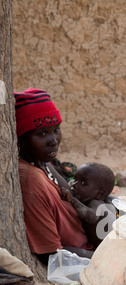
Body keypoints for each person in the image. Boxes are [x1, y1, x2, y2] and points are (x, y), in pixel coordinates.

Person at [15, 88, 94, 264]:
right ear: (21, 139)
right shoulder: (31, 179)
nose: (54, 140)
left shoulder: (42, 162)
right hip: (77, 261)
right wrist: (104, 258)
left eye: (56, 129)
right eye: (41, 134)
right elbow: (51, 254)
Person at [60, 163, 117, 248]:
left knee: (66, 250)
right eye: (75, 180)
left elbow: (91, 217)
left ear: (99, 194)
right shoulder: (87, 199)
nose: (74, 185)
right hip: (100, 245)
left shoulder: (96, 202)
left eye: (83, 183)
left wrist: (72, 200)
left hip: (109, 247)